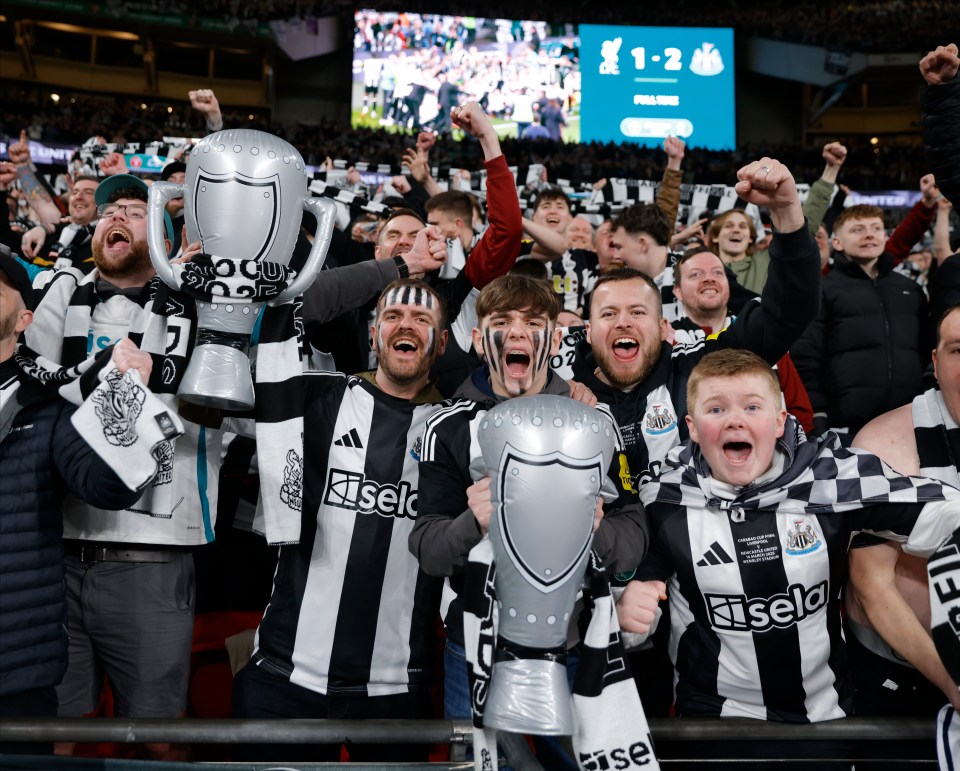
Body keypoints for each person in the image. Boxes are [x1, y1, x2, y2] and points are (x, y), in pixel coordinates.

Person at [618, 350, 960, 760]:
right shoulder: (665, 499)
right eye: (716, 408)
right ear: (691, 428)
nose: (734, 420)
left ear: (780, 420)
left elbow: (940, 512)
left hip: (823, 720)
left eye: (752, 406)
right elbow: (639, 611)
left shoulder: (830, 479)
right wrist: (629, 615)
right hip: (713, 725)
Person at [409, 274, 647, 765]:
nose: (517, 333)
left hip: (579, 645)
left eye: (533, 323)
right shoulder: (446, 425)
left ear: (555, 339)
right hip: (474, 646)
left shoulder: (596, 423)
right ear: (479, 340)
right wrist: (470, 523)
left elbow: (634, 537)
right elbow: (428, 550)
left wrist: (596, 527)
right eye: (502, 322)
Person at [21, 173, 213, 757]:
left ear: (164, 236)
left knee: (154, 733)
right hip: (56, 549)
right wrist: (100, 368)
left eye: (136, 210)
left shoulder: (204, 307)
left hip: (153, 552)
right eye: (110, 211)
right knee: (61, 728)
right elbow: (30, 381)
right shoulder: (61, 291)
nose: (118, 219)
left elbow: (238, 403)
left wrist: (159, 371)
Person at [233, 277, 451, 763]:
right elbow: (288, 308)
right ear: (373, 335)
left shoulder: (458, 428)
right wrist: (391, 265)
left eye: (421, 319)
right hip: (285, 676)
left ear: (441, 343)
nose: (405, 324)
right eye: (392, 316)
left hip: (395, 688)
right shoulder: (315, 397)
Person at [0, 253, 163, 755]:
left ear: (25, 319)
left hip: (13, 667)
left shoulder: (46, 407)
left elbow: (109, 487)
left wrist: (129, 399)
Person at [844, 303, 960, 719]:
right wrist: (954, 683)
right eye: (958, 350)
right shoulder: (882, 441)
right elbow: (870, 584)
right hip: (898, 666)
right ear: (936, 360)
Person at [791, 202, 930, 441]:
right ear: (837, 243)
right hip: (844, 425)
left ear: (885, 237)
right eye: (857, 229)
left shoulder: (910, 289)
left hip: (909, 421)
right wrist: (818, 413)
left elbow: (928, 353)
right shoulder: (822, 290)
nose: (869, 234)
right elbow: (806, 357)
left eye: (876, 228)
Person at [671, 246, 814, 434]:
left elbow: (800, 411)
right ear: (678, 291)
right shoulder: (668, 342)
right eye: (696, 274)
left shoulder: (762, 332)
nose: (709, 278)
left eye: (717, 272)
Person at [707, 142, 847, 294]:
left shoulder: (769, 261)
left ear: (750, 237)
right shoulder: (696, 265)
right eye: (728, 225)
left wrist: (831, 170)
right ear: (715, 235)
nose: (736, 230)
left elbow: (804, 224)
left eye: (742, 226)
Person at [20, 173, 100, 273]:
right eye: (74, 192)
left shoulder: (105, 243)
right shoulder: (44, 237)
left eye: (89, 192)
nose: (78, 196)